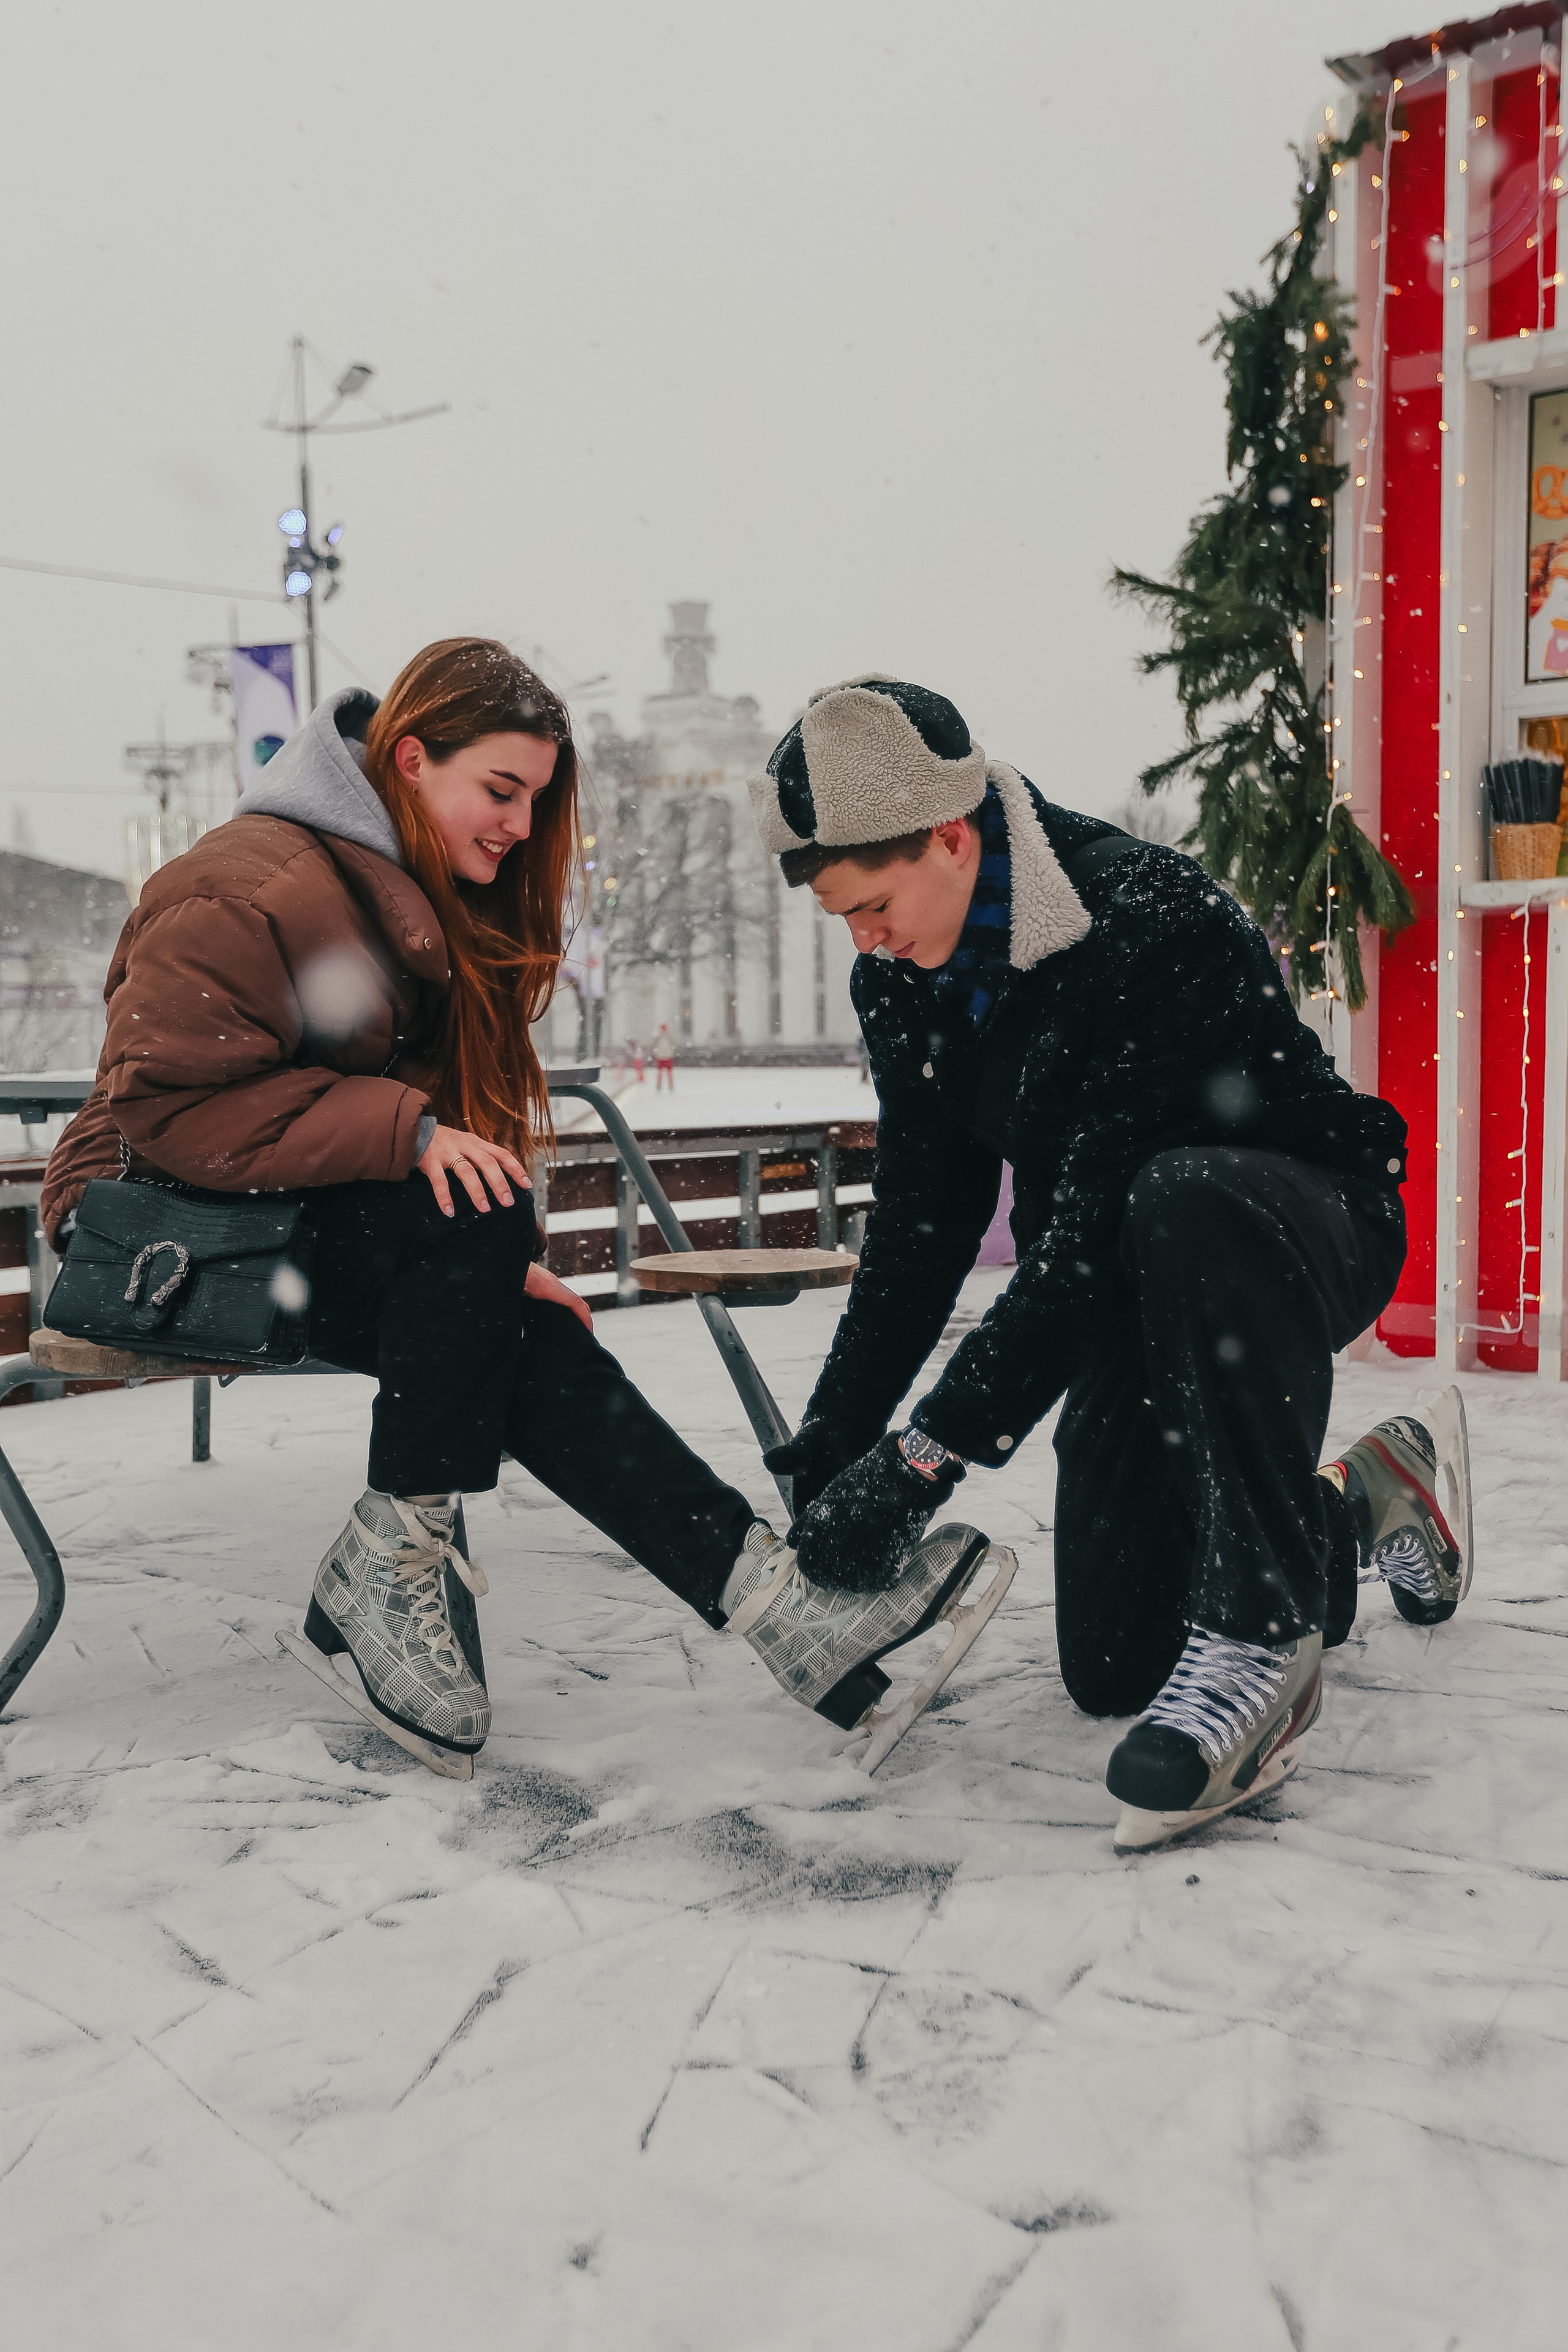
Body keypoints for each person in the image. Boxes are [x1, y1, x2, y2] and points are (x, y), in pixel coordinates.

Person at [40, 641, 1005, 1776]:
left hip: (301, 1225)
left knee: (518, 1315)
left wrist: (475, 1254)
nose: (517, 822)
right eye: (500, 790)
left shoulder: (417, 897)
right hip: (159, 1235)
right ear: (409, 759)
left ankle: (779, 1610)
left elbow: (437, 1157)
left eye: (536, 799)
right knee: (479, 1236)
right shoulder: (245, 882)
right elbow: (168, 1105)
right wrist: (411, 1149)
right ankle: (395, 1573)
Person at [749, 675, 1474, 1852]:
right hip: (1135, 1284)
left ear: (949, 834)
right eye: (842, 920)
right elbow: (926, 1221)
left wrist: (923, 1461)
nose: (864, 938)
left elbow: (1082, 1240)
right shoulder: (898, 978)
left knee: (1175, 1193)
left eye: (872, 903)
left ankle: (1263, 1640)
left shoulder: (1144, 920)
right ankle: (1372, 1495)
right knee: (1115, 1660)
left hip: (1294, 1223)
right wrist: (837, 1453)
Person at [654, 1022, 676, 1092]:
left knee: (668, 1073)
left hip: (667, 1056)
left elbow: (672, 1045)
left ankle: (670, 1086)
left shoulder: (668, 1037)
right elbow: (655, 1046)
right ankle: (659, 1086)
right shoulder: (659, 1037)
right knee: (661, 1073)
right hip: (662, 1056)